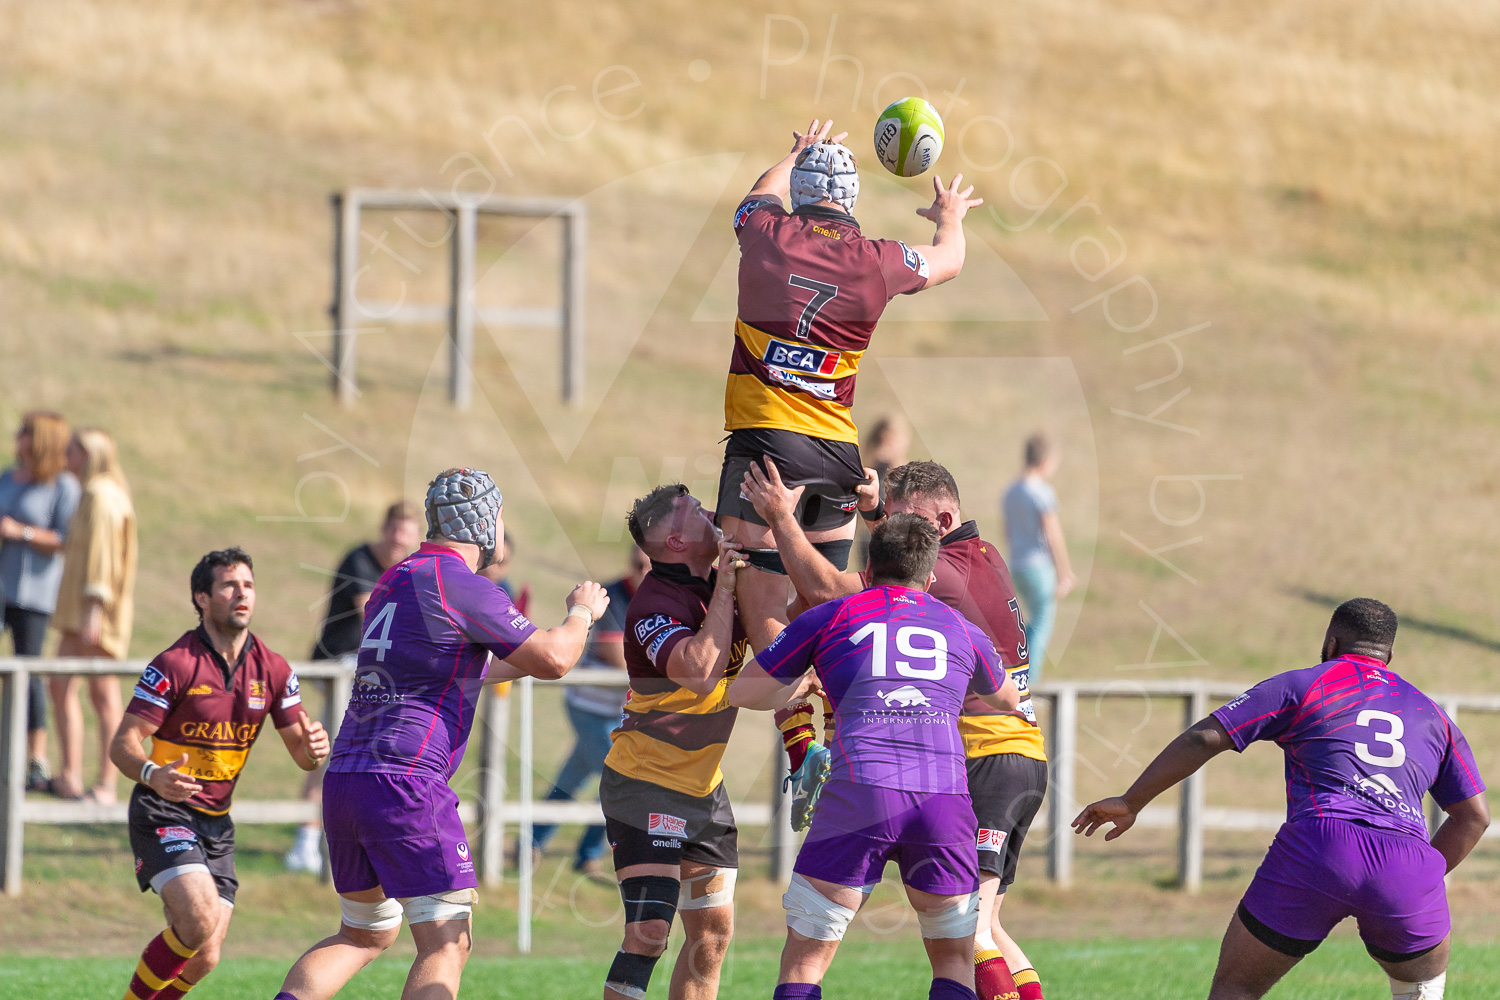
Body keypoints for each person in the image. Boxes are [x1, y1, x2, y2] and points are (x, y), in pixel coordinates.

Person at [275, 468, 609, 1000]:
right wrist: (581, 613)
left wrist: (524, 651)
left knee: (363, 932)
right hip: (406, 782)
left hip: (347, 778)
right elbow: (555, 659)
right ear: (484, 523)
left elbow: (457, 666)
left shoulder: (396, 578)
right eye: (499, 517)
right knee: (446, 942)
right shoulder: (461, 584)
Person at [1074, 598, 1490, 1000]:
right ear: (1389, 656)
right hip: (1407, 859)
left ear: (1331, 645)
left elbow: (1204, 737)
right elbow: (1474, 818)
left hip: (1322, 845)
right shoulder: (1433, 713)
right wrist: (1418, 876)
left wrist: (1131, 801)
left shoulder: (1303, 683)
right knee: (1419, 990)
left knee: (1236, 990)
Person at [742, 459, 1048, 1000]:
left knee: (812, 956)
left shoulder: (918, 586)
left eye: (901, 518)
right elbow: (1008, 693)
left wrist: (780, 521)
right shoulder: (972, 574)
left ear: (945, 519)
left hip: (974, 760)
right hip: (968, 776)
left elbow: (829, 590)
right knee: (976, 937)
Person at [715, 117, 982, 656]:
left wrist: (796, 155)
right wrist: (949, 215)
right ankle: (835, 725)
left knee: (764, 614)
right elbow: (949, 259)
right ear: (852, 199)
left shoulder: (764, 231)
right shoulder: (878, 260)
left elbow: (757, 195)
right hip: (837, 459)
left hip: (765, 447)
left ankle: (801, 738)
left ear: (799, 193)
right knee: (826, 609)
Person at [109, 547, 329, 1000]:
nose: (241, 593)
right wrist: (152, 773)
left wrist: (314, 751)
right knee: (198, 920)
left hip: (217, 823)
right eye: (229, 585)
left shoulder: (273, 668)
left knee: (206, 954)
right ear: (202, 598)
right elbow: (123, 743)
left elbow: (302, 756)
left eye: (247, 585)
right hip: (163, 808)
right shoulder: (175, 664)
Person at [600, 485, 748, 1000]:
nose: (714, 514)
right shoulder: (652, 604)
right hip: (645, 785)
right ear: (678, 540)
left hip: (706, 788)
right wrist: (727, 589)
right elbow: (700, 672)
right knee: (649, 934)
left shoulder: (726, 581)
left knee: (712, 936)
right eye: (699, 512)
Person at [286, 500, 422, 874]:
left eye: (406, 536)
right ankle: (306, 844)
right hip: (340, 663)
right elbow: (373, 612)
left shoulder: (409, 569)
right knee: (331, 752)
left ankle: (359, 840)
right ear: (384, 528)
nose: (398, 541)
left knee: (376, 754)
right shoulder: (359, 560)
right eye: (394, 531)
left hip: (378, 672)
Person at [531, 544, 649, 884]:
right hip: (589, 706)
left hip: (621, 711)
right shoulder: (612, 595)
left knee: (572, 780)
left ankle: (532, 842)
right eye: (637, 564)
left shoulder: (662, 597)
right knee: (623, 782)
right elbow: (614, 653)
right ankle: (589, 855)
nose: (642, 571)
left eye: (649, 565)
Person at [51, 428, 138, 803]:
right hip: (78, 614)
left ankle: (107, 782)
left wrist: (94, 609)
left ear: (87, 455)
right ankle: (69, 774)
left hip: (93, 615)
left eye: (70, 450)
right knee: (60, 685)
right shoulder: (92, 494)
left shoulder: (101, 495)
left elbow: (103, 558)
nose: (64, 456)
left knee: (103, 696)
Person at [0, 410, 81, 792]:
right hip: (1, 585)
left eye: (26, 432)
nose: (19, 437)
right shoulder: (8, 478)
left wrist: (21, 531)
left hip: (33, 594)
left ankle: (36, 757)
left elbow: (64, 539)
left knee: (28, 671)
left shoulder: (62, 486)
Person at [1001, 433, 1074, 684]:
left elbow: (1007, 532)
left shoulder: (1011, 491)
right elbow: (1052, 533)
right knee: (1042, 623)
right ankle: (1029, 683)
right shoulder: (1041, 492)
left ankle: (1015, 671)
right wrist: (1064, 571)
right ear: (1045, 461)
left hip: (1018, 565)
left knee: (1031, 623)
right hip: (1039, 566)